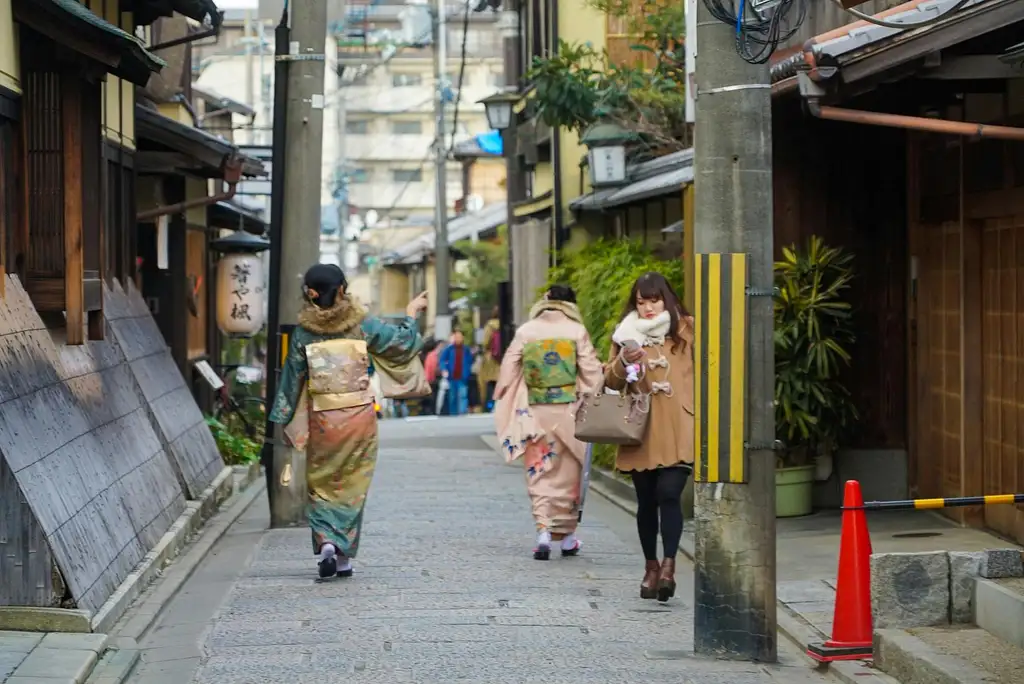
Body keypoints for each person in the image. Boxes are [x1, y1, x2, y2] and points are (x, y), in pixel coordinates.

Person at [269, 264, 427, 579]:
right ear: (342, 290)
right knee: (352, 485)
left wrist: (281, 418)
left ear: (311, 294)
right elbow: (402, 343)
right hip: (358, 417)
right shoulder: (361, 325)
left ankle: (327, 542)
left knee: (322, 482)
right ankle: (342, 555)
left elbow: (290, 380)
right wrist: (411, 313)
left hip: (323, 417)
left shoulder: (303, 332)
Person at [605, 272, 694, 602]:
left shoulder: (687, 329)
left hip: (679, 424)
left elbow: (709, 369)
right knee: (646, 501)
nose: (648, 308)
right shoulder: (625, 335)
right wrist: (622, 362)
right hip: (640, 429)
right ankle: (651, 566)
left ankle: (669, 565)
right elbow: (612, 383)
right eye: (641, 302)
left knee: (670, 493)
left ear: (666, 298)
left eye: (654, 300)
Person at [494, 285, 602, 560]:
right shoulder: (576, 331)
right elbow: (592, 373)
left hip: (534, 410)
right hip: (569, 410)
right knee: (570, 474)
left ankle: (543, 530)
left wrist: (502, 393)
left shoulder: (526, 331)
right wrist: (592, 394)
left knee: (539, 471)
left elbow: (508, 367)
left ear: (546, 301)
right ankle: (567, 537)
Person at [439, 330, 473, 416]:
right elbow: (442, 360)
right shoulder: (449, 349)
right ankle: (453, 414)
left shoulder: (466, 349)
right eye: (457, 337)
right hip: (452, 376)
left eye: (460, 337)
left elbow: (470, 361)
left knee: (463, 395)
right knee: (453, 397)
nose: (458, 339)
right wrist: (444, 369)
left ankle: (462, 412)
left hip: (463, 377)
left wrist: (468, 371)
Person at [480, 307, 502, 411]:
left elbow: (485, 342)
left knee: (490, 381)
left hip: (491, 358)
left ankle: (490, 405)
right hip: (503, 357)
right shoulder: (505, 323)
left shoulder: (490, 325)